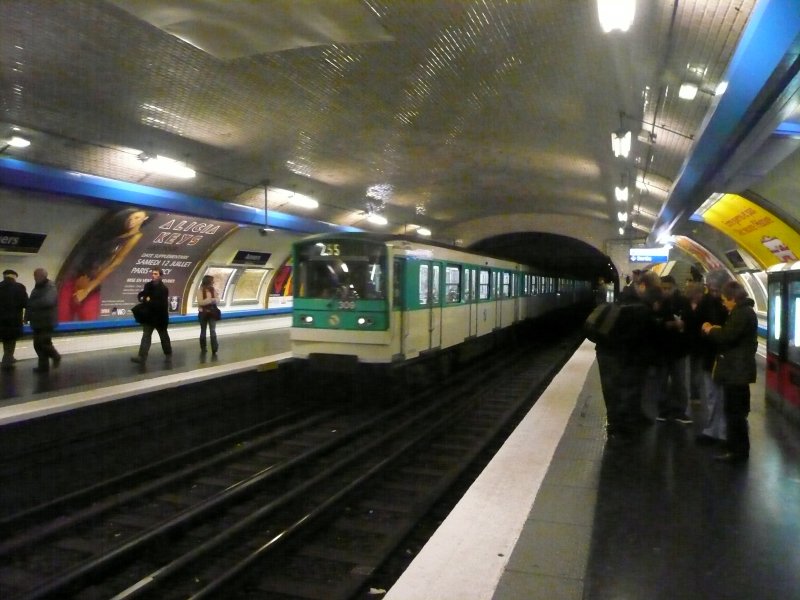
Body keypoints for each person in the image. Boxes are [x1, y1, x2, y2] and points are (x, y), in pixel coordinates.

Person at [594, 270, 658, 444]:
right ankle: (617, 429)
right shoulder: (636, 306)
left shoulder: (628, 299)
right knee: (618, 391)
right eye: (653, 290)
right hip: (616, 354)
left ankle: (624, 424)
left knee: (622, 390)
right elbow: (636, 334)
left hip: (613, 352)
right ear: (642, 286)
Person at [59, 208, 149, 322]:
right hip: (80, 275)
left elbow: (114, 264)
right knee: (63, 317)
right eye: (130, 218)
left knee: (86, 320)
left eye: (137, 218)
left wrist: (87, 289)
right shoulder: (119, 235)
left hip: (91, 281)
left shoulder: (135, 237)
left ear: (144, 219)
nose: (132, 220)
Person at [702, 280, 757, 463]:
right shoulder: (743, 312)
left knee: (735, 412)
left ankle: (737, 451)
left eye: (725, 299)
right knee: (735, 411)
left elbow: (728, 337)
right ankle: (735, 446)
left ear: (733, 298)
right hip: (737, 370)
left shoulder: (741, 314)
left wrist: (710, 330)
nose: (723, 303)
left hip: (737, 371)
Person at [131, 268, 172, 363]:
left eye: (155, 274)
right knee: (146, 336)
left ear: (160, 275)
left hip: (160, 317)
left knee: (163, 336)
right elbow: (143, 296)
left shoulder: (164, 289)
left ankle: (168, 354)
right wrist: (145, 299)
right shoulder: (148, 285)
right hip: (149, 316)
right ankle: (142, 357)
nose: (153, 275)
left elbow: (160, 304)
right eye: (152, 273)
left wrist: (149, 299)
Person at [25, 268, 61, 373]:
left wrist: (33, 304)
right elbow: (30, 304)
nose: (35, 278)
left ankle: (56, 356)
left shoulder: (51, 286)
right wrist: (27, 316)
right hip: (37, 322)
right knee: (37, 345)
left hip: (47, 321)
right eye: (35, 276)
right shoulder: (36, 288)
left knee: (44, 343)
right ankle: (43, 367)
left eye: (37, 276)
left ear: (43, 276)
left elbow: (48, 301)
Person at [0, 269, 28, 371]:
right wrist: (27, 318)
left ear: (4, 276)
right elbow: (26, 303)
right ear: (14, 277)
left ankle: (9, 357)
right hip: (14, 321)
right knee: (11, 341)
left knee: (6, 340)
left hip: (1, 321)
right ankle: (6, 363)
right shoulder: (19, 287)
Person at [197, 275, 219, 355]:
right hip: (203, 313)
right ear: (208, 281)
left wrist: (213, 300)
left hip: (212, 313)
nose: (213, 282)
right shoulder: (200, 290)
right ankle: (203, 347)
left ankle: (214, 348)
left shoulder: (213, 290)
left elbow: (217, 300)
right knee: (203, 330)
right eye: (212, 281)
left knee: (212, 330)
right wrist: (210, 300)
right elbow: (200, 302)